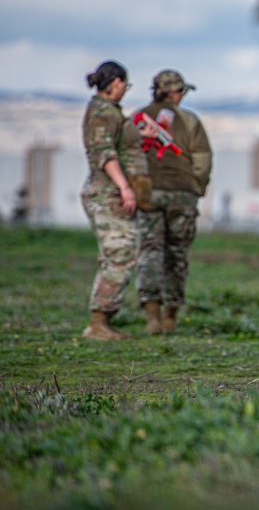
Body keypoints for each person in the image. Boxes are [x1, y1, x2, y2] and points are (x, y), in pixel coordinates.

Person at [134, 70, 213, 335]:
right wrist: (197, 188)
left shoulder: (136, 119)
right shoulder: (190, 120)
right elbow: (202, 161)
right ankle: (170, 317)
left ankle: (151, 318)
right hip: (182, 194)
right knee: (176, 254)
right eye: (182, 91)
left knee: (149, 251)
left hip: (147, 193)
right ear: (174, 92)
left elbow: (125, 154)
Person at [80, 60, 151, 340]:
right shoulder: (103, 112)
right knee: (119, 254)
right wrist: (125, 188)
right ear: (117, 83)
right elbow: (104, 154)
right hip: (107, 193)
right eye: (126, 85)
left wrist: (139, 136)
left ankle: (103, 320)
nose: (125, 90)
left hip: (112, 193)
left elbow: (118, 145)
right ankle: (98, 323)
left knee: (124, 252)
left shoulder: (111, 113)